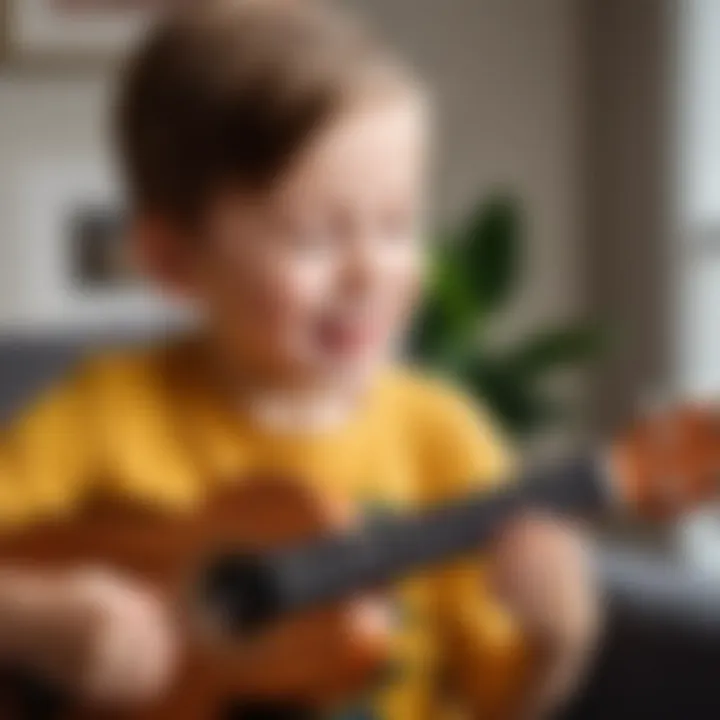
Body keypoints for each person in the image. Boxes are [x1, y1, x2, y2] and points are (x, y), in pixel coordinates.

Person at [0, 1, 600, 717]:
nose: (368, 273)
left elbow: (504, 700)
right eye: (313, 238)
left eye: (397, 225)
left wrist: (561, 638)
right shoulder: (104, 415)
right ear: (172, 258)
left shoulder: (445, 442)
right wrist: (34, 617)